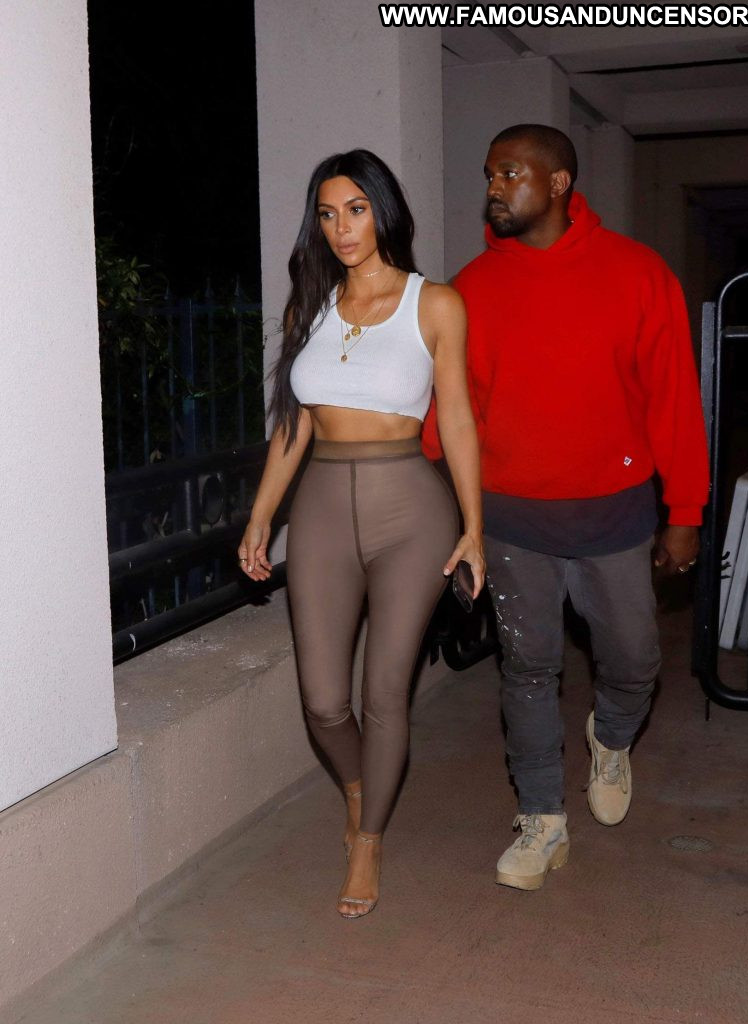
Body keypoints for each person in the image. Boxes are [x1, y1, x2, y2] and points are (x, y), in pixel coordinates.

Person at [422, 124, 709, 891]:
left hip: (614, 516)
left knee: (634, 660)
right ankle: (542, 819)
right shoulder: (473, 287)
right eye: (489, 174)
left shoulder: (638, 274)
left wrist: (685, 511)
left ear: (558, 183)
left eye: (509, 173)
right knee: (528, 666)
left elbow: (675, 401)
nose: (493, 188)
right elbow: (452, 412)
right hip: (513, 521)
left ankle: (610, 738)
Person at [238, 150, 484, 918]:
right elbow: (294, 426)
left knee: (384, 692)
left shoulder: (433, 304)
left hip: (411, 513)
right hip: (318, 510)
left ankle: (368, 838)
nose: (341, 228)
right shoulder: (307, 309)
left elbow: (457, 418)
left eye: (355, 209)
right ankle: (355, 786)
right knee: (322, 701)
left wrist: (474, 527)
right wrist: (260, 514)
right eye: (327, 213)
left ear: (383, 211)